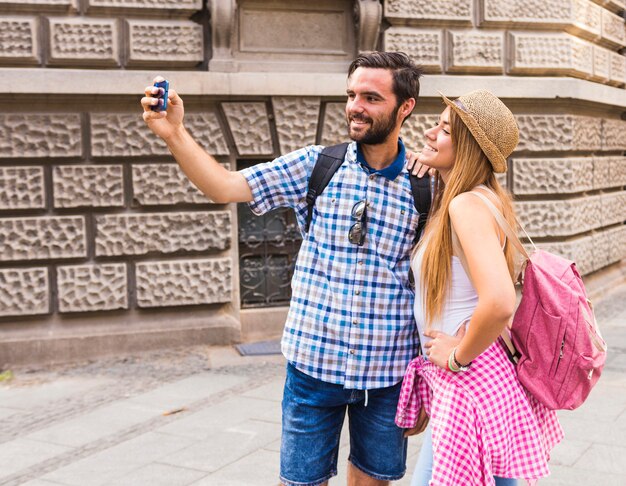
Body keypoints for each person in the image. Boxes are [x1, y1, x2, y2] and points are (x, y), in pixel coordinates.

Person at [141, 51, 429, 486]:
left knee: (373, 481)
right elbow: (224, 186)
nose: (355, 107)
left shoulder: (425, 183)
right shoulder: (317, 165)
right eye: (351, 95)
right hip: (313, 366)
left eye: (371, 98)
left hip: (387, 373)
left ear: (405, 107)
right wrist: (174, 133)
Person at [398, 90, 563, 486]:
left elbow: (501, 301)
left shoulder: (466, 206)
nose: (430, 132)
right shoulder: (483, 198)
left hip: (469, 379)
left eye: (444, 129)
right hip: (483, 376)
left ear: (469, 147)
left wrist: (456, 356)